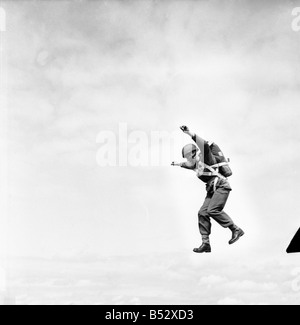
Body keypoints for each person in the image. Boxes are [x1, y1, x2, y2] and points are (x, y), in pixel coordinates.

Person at [171, 126, 244, 253]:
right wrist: (177, 164)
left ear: (192, 154)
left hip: (221, 186)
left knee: (213, 210)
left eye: (187, 157)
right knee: (202, 213)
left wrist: (189, 133)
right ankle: (206, 243)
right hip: (212, 189)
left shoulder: (206, 157)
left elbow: (203, 144)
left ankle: (235, 229)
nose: (187, 160)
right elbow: (188, 165)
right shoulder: (196, 164)